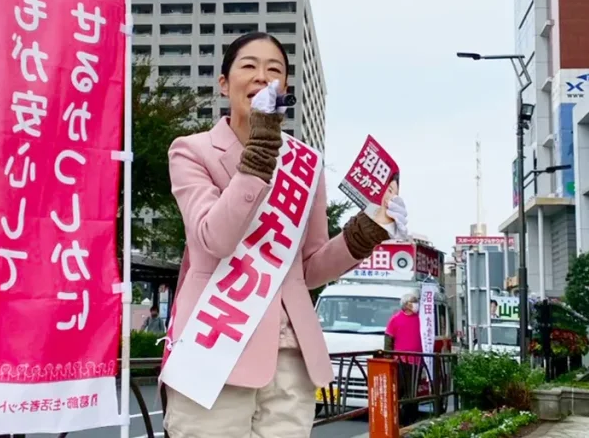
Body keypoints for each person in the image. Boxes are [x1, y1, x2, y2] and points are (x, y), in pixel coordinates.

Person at [161, 32, 408, 437]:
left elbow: (307, 269)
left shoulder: (305, 164)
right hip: (216, 347)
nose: (262, 77)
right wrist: (261, 148)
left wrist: (370, 229)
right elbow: (214, 238)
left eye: (274, 70)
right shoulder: (191, 150)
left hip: (291, 359)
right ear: (224, 83)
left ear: (285, 88)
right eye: (249, 66)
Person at [384, 290, 424, 364]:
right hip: (400, 360)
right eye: (413, 302)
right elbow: (388, 340)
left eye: (416, 302)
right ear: (406, 305)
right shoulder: (395, 319)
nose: (416, 304)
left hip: (418, 360)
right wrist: (388, 358)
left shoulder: (420, 318)